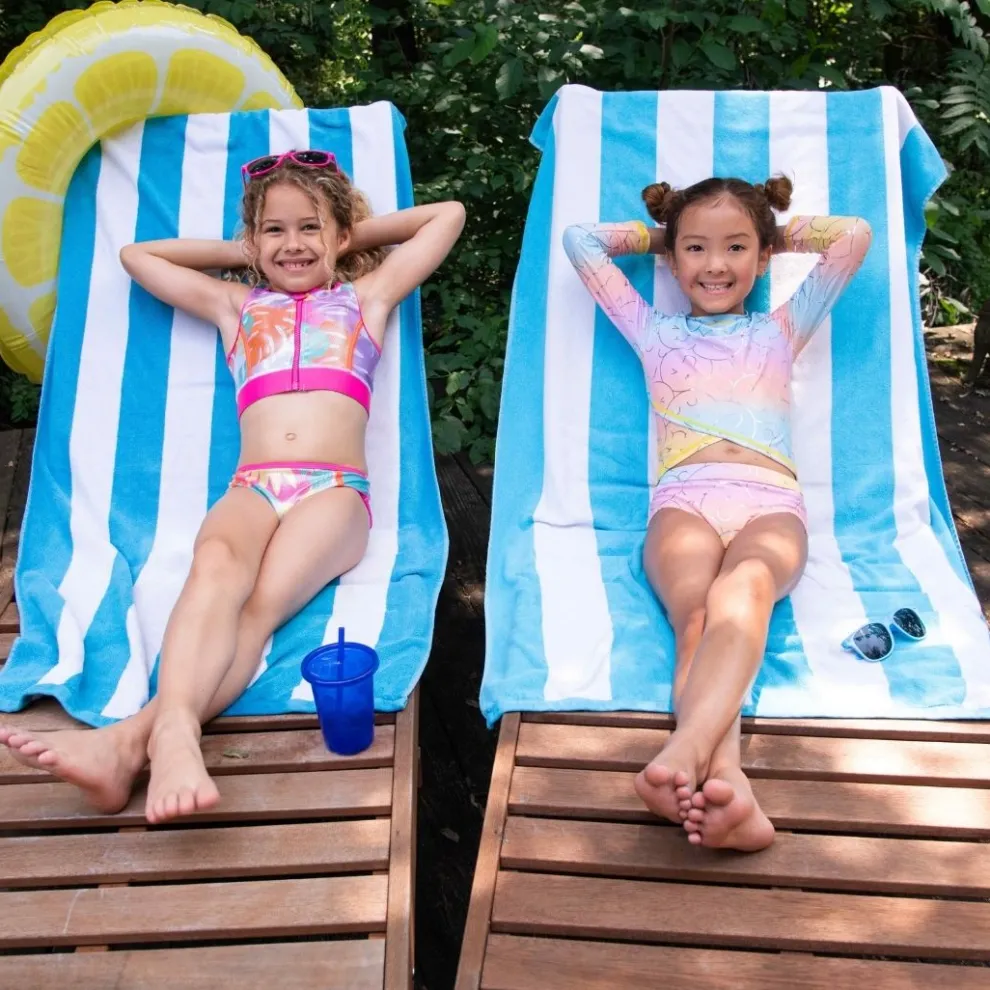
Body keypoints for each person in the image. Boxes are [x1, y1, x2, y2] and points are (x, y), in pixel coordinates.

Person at [0, 149, 465, 824]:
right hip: (253, 485)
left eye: (310, 228)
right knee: (214, 566)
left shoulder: (366, 298)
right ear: (252, 244)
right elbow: (138, 255)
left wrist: (340, 234)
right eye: (274, 231)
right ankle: (145, 741)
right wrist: (249, 249)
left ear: (339, 237)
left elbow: (445, 216)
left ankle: (152, 734)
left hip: (334, 493)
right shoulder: (236, 305)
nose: (292, 244)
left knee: (257, 608)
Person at [563, 176, 870, 851]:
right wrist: (663, 234)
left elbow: (853, 238)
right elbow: (580, 242)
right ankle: (725, 777)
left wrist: (769, 233)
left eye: (736, 249)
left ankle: (685, 755)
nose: (716, 264)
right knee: (696, 614)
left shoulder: (781, 328)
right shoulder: (652, 330)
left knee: (745, 588)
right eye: (696, 250)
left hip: (771, 504)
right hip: (685, 502)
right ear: (673, 262)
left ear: (761, 259)